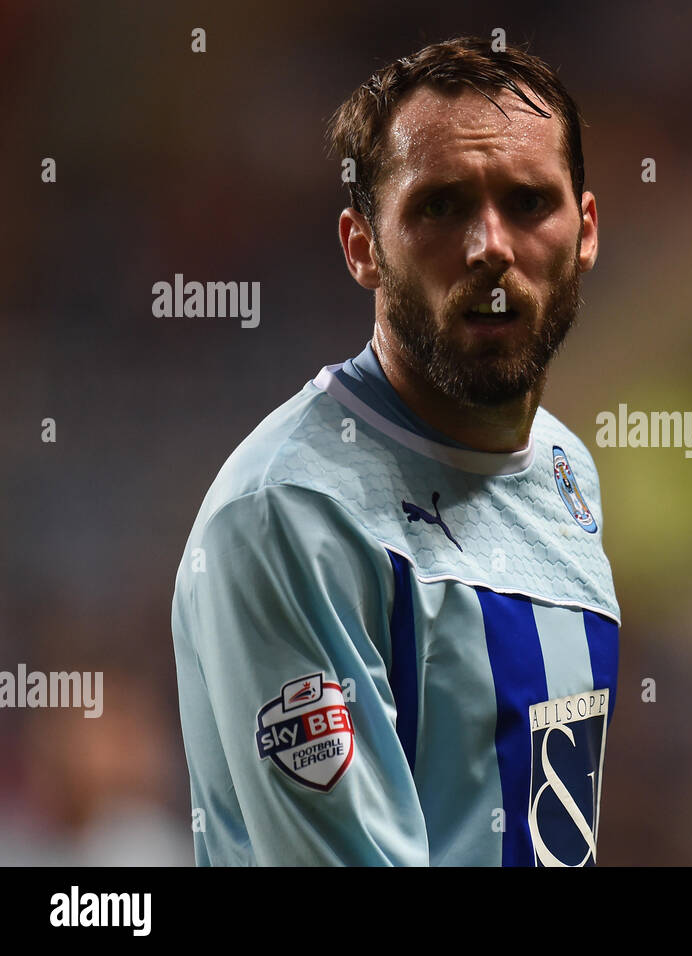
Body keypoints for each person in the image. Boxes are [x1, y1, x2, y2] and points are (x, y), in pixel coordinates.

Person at [170, 36, 619, 866]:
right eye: (441, 206)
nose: (490, 246)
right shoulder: (294, 513)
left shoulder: (565, 472)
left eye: (528, 202)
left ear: (584, 231)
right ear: (363, 247)